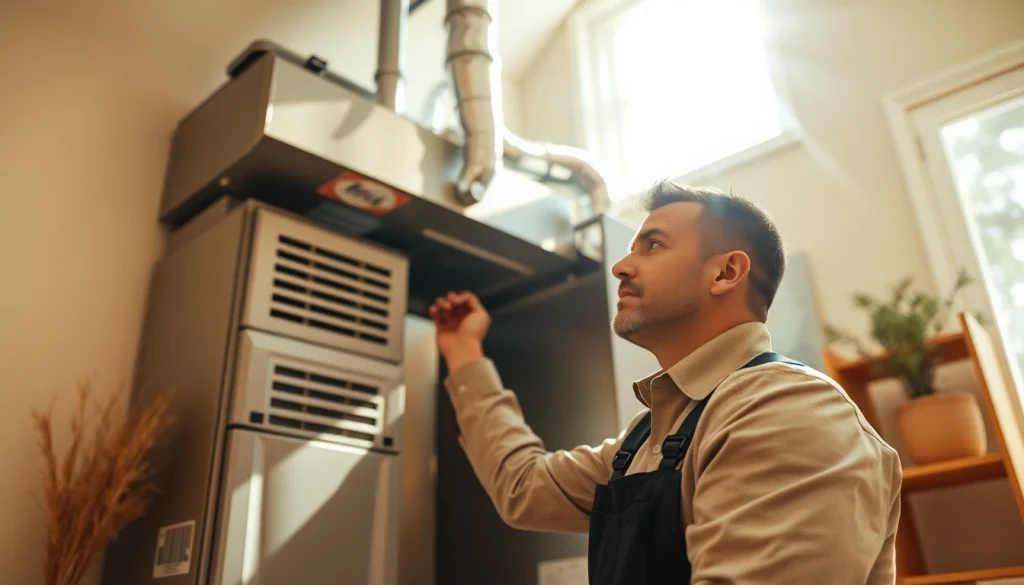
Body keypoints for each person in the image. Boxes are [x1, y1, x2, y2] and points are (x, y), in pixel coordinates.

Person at [429, 181, 902, 585]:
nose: (620, 267)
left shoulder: (787, 410)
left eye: (652, 245)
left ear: (725, 272)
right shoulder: (647, 441)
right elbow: (524, 487)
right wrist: (464, 353)